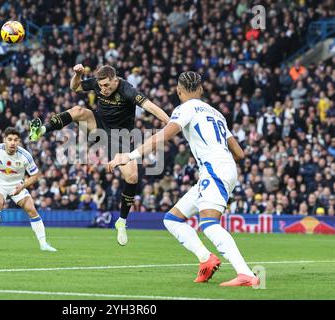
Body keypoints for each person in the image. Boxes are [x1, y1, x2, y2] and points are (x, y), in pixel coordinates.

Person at [109, 71, 260, 287]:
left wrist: (130, 155)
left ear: (179, 91)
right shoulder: (216, 113)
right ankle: (206, 259)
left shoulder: (184, 108)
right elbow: (240, 153)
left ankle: (245, 274)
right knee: (172, 219)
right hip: (221, 168)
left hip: (213, 169)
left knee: (208, 223)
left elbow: (163, 136)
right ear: (201, 89)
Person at [29, 64, 170, 246]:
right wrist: (77, 75)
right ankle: (41, 130)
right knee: (79, 111)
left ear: (115, 80)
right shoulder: (97, 83)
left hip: (121, 138)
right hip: (98, 126)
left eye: (107, 86)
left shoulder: (127, 89)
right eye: (101, 86)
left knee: (132, 176)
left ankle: (122, 221)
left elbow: (150, 106)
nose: (103, 89)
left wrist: (170, 121)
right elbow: (75, 87)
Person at [0, 127, 56, 252]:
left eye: (15, 140)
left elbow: (36, 175)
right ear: (4, 140)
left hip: (17, 185)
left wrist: (23, 186)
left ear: (19, 142)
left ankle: (43, 244)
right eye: (10, 139)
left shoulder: (25, 156)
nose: (12, 142)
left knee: (31, 209)